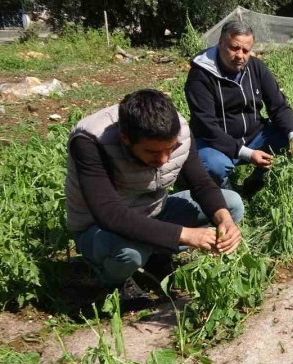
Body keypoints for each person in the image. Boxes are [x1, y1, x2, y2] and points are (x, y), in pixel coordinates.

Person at [65, 89, 244, 304]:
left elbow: (201, 183)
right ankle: (110, 282)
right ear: (125, 138)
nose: (163, 159)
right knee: (131, 253)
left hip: (154, 212)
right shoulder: (90, 141)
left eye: (171, 148)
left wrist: (223, 219)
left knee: (231, 205)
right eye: (152, 152)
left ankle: (156, 254)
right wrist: (186, 235)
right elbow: (109, 214)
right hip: (100, 229)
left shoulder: (178, 130)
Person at [185, 20, 293, 197]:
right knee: (212, 166)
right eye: (234, 48)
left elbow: (278, 106)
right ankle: (229, 192)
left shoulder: (256, 68)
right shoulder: (201, 76)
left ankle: (256, 181)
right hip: (215, 143)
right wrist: (246, 153)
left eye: (246, 50)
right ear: (220, 43)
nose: (240, 55)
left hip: (254, 136)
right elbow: (206, 125)